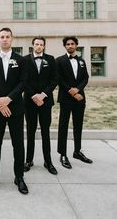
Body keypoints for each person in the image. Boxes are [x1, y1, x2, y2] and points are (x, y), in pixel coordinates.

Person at [0, 28, 28, 196]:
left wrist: (8, 99)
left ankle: (19, 177)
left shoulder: (20, 60)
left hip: (15, 108)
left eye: (7, 37)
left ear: (12, 39)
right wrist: (0, 102)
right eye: (2, 37)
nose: (4, 39)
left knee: (18, 144)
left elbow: (23, 82)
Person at [56, 36, 93, 169]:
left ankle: (77, 151)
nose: (70, 46)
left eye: (72, 44)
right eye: (68, 44)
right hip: (66, 98)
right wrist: (71, 91)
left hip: (79, 99)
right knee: (63, 126)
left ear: (76, 46)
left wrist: (78, 90)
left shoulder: (81, 61)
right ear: (65, 46)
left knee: (78, 125)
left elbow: (85, 78)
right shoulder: (59, 61)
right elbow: (58, 78)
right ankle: (63, 154)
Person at [23, 36, 58, 175]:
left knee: (45, 132)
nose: (38, 46)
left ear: (44, 46)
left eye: (41, 44)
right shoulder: (25, 60)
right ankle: (28, 160)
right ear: (32, 45)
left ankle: (48, 161)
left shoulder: (50, 59)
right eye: (36, 44)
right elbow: (23, 80)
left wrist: (43, 95)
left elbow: (54, 79)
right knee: (30, 131)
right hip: (29, 102)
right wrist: (33, 96)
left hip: (45, 101)